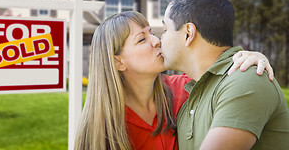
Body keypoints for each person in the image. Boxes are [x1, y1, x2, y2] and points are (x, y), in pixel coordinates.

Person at [75, 11, 273, 150]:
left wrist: (250, 58)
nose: (157, 41)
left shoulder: (184, 89)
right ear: (118, 62)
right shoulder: (103, 127)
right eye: (142, 39)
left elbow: (223, 76)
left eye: (151, 32)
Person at [160, 0, 289, 149]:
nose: (160, 40)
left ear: (188, 33)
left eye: (165, 29)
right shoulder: (189, 100)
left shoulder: (245, 79)